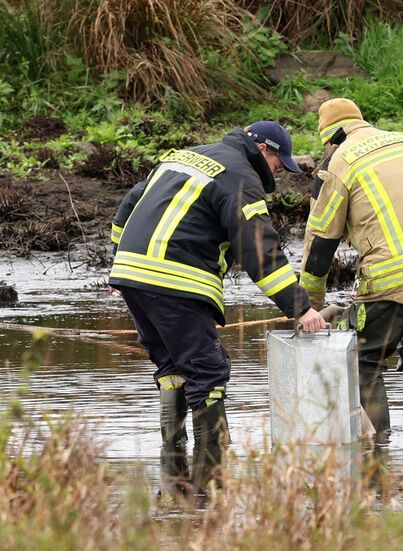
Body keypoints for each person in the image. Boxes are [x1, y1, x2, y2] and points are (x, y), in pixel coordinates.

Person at [108, 121, 327, 498]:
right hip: (175, 280)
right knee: (208, 374)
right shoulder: (239, 176)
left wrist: (119, 262)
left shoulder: (190, 155)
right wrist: (301, 308)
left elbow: (131, 202)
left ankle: (173, 485)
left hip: (132, 275)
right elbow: (257, 249)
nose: (279, 172)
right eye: (279, 163)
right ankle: (207, 487)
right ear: (263, 150)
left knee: (173, 370)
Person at [299, 98, 403, 442]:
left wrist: (310, 304)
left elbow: (320, 246)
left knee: (366, 363)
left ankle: (379, 447)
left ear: (331, 139)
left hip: (388, 280)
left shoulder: (338, 164)